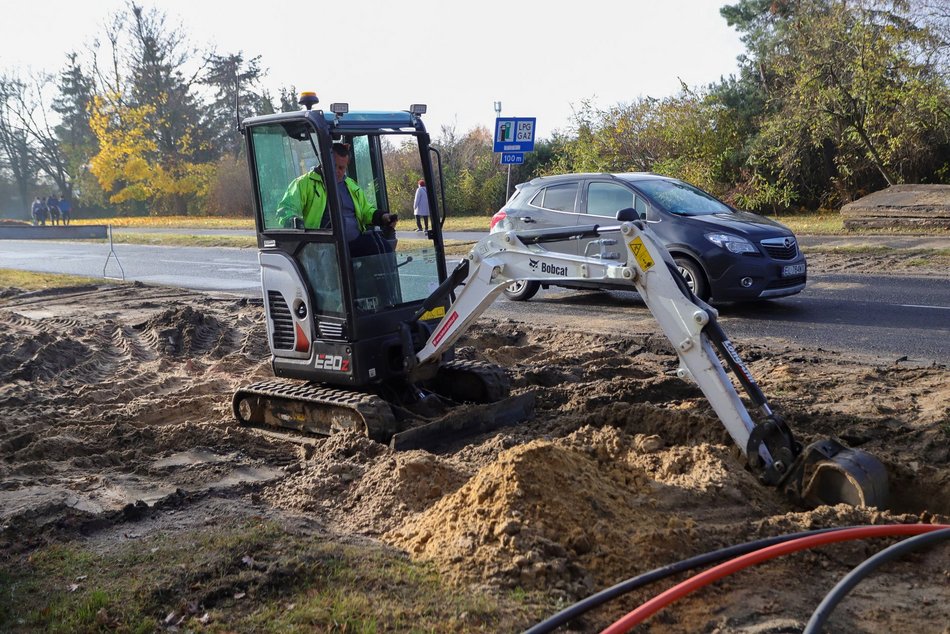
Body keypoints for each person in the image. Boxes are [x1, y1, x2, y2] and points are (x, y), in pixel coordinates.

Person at [275, 143, 398, 257]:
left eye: (341, 168)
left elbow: (366, 210)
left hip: (352, 242)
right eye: (334, 166)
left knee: (383, 249)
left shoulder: (351, 186)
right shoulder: (303, 184)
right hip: (320, 246)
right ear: (324, 161)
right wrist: (294, 222)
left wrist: (382, 216)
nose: (337, 171)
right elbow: (286, 209)